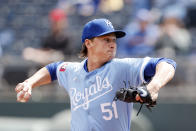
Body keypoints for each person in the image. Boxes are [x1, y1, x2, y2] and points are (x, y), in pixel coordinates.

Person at [15, 18, 176, 131]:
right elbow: (53, 69)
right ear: (88, 43)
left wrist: (153, 86)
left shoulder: (122, 68)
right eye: (106, 40)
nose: (112, 44)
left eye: (114, 40)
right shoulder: (73, 71)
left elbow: (167, 63)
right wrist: (29, 83)